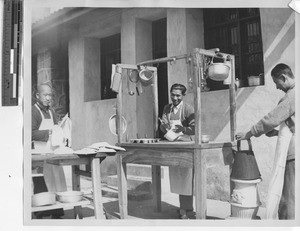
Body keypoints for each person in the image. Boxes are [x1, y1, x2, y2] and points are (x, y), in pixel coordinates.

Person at [236, 63, 295, 219]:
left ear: (284, 77)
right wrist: (278, 133)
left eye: (277, 83)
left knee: (289, 195)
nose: (277, 87)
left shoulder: (292, 95)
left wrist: (250, 133)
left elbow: (272, 118)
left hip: (294, 154)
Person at [160, 83, 195, 219]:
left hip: (185, 145)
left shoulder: (188, 108)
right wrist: (164, 127)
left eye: (178, 95)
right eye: (173, 95)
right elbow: (162, 125)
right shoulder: (167, 108)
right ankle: (184, 208)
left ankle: (186, 209)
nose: (175, 98)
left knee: (186, 178)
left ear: (183, 95)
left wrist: (183, 129)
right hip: (173, 145)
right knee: (178, 178)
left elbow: (194, 128)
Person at [32, 83, 67, 219]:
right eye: (45, 95)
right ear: (37, 96)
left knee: (57, 180)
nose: (48, 98)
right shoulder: (33, 111)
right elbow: (30, 133)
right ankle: (41, 212)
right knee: (43, 181)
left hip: (53, 151)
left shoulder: (51, 111)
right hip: (40, 153)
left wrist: (59, 131)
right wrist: (49, 132)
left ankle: (56, 212)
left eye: (50, 95)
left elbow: (56, 127)